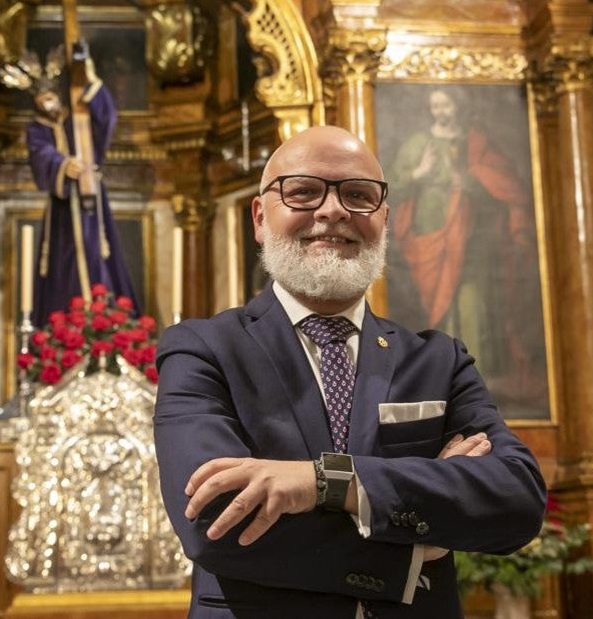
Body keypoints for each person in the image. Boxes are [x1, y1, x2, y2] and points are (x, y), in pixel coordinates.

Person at [154, 125, 546, 618]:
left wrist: (325, 482)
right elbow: (214, 521)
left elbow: (516, 499)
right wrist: (413, 546)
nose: (332, 210)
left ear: (385, 218)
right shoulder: (202, 350)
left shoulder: (439, 360)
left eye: (358, 195)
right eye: (303, 191)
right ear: (260, 216)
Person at [385, 88, 543, 407]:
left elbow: (505, 186)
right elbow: (389, 190)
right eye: (435, 105)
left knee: (472, 303)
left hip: (473, 242)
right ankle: (439, 381)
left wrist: (469, 182)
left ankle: (474, 386)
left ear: (458, 105)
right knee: (436, 309)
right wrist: (420, 174)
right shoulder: (418, 145)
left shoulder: (477, 143)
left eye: (445, 104)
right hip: (429, 238)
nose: (440, 111)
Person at [26, 49, 139, 325]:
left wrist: (89, 78)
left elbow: (106, 119)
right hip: (62, 207)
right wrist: (63, 165)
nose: (48, 104)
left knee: (96, 255)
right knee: (63, 264)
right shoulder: (37, 128)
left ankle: (102, 319)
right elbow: (39, 154)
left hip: (92, 202)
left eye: (51, 97)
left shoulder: (78, 119)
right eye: (42, 100)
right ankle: (66, 326)